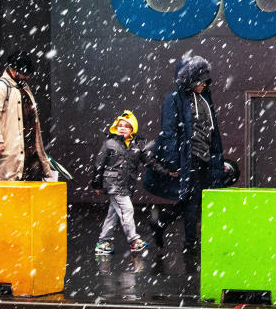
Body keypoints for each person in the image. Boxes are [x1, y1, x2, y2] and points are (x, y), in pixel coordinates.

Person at [145, 55, 225, 257]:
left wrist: (217, 158)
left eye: (206, 81)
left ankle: (162, 222)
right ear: (189, 81)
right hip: (189, 157)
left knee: (198, 199)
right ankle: (190, 242)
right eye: (199, 81)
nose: (203, 85)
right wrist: (173, 163)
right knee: (193, 200)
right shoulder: (174, 100)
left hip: (205, 157)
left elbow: (212, 131)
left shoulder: (206, 98)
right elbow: (169, 132)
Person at [93, 110, 177, 255]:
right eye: (120, 125)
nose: (122, 128)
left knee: (113, 214)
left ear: (132, 129)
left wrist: (167, 172)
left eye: (126, 126)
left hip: (126, 183)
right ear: (115, 127)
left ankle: (102, 243)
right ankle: (134, 240)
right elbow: (99, 164)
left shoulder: (138, 145)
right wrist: (97, 184)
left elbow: (150, 162)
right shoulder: (110, 143)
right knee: (127, 210)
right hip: (113, 183)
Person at [0, 50, 53, 182]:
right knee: (10, 184)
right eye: (24, 74)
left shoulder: (23, 88)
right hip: (10, 149)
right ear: (13, 70)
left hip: (28, 149)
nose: (27, 77)